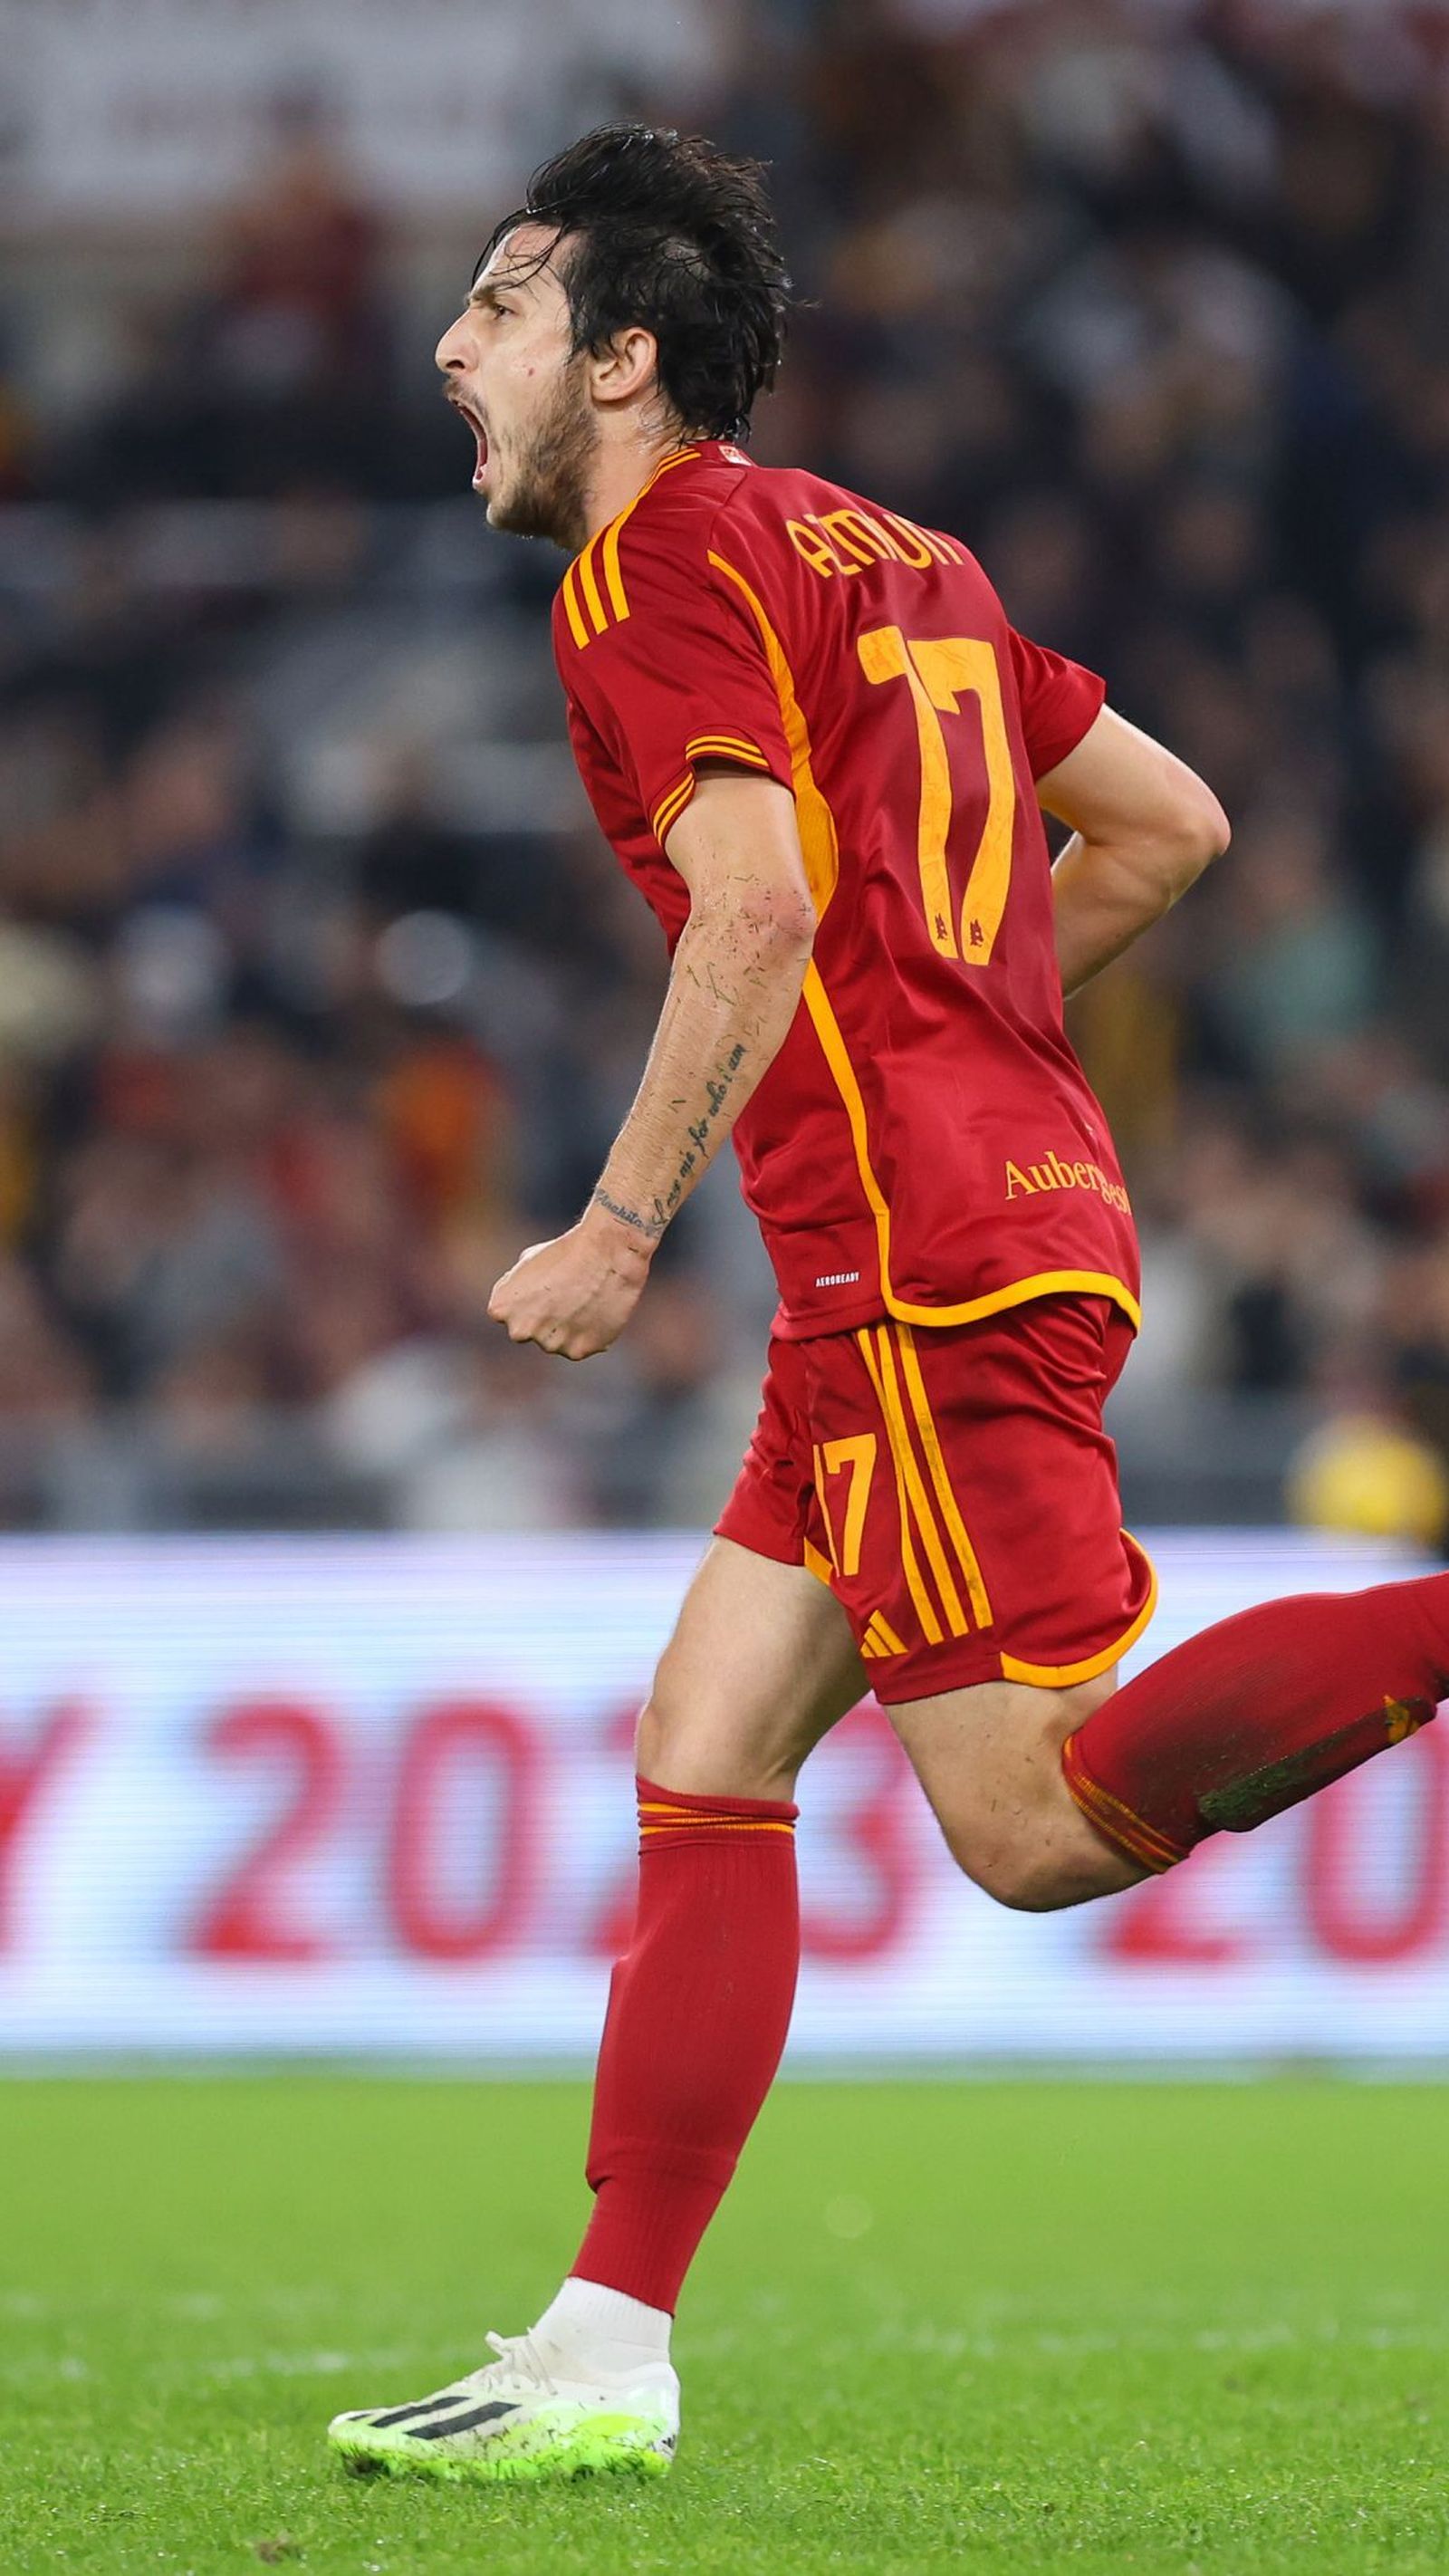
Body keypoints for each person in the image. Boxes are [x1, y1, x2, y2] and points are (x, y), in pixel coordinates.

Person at [328, 125, 1449, 2485]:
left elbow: (753, 907)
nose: (451, 346)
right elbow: (1170, 827)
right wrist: (957, 1014)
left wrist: (619, 1220)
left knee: (1034, 1827)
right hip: (979, 1205)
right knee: (711, 1738)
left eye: (503, 306)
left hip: (910, 1253)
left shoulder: (649, 572)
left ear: (621, 361)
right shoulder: (895, 552)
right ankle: (603, 2346)